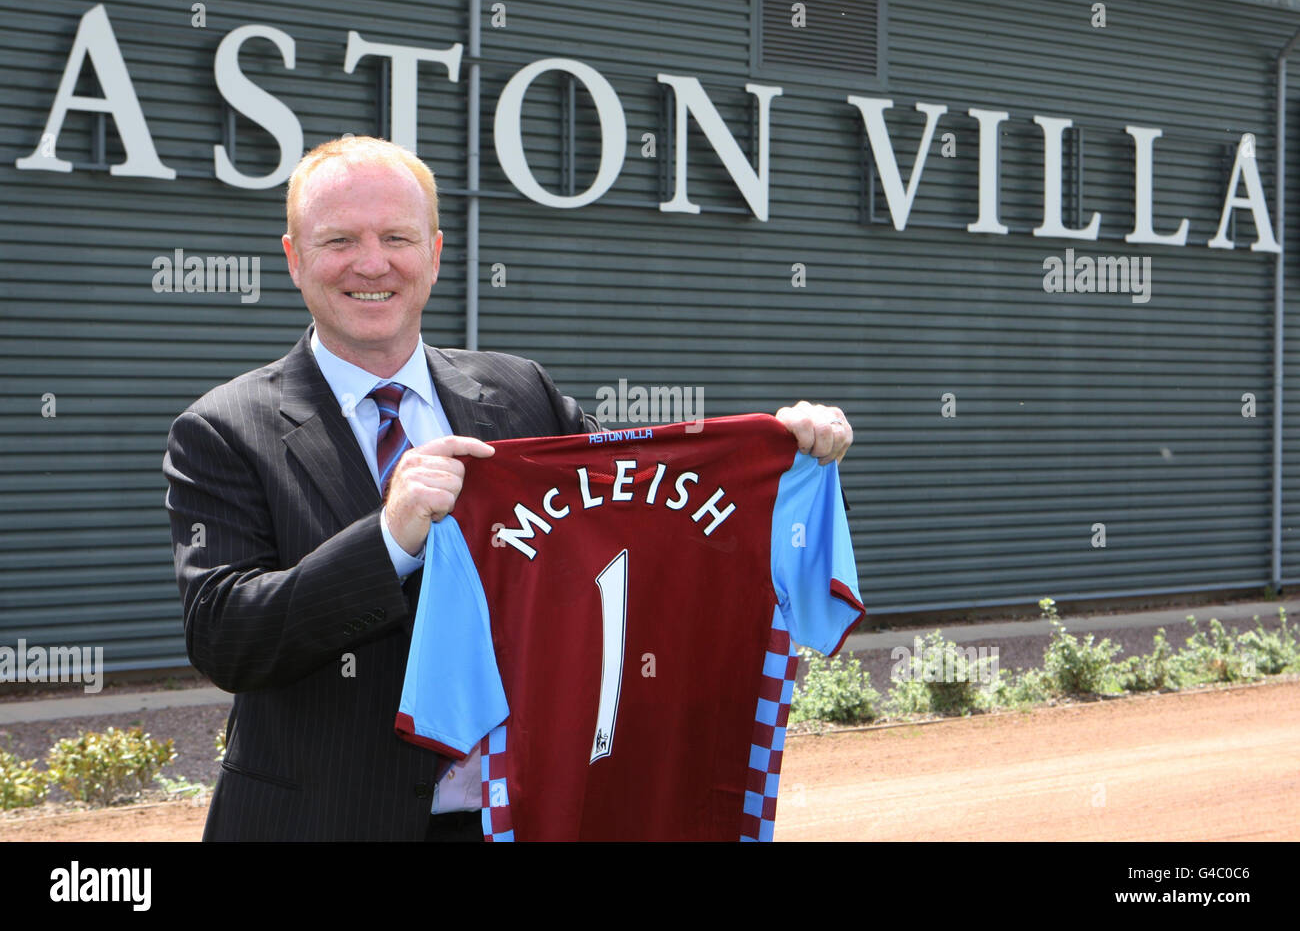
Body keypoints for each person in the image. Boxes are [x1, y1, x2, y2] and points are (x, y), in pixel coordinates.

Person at [163, 136, 854, 841]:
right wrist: (388, 539)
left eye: (396, 237)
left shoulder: (521, 394)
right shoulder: (223, 430)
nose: (372, 264)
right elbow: (225, 637)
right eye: (340, 239)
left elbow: (652, 522)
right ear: (294, 259)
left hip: (516, 822)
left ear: (433, 255)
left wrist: (786, 465)